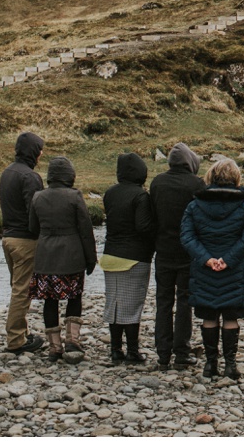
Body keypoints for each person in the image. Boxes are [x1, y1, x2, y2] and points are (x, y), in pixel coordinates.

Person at [181, 159, 244, 380]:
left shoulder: (195, 204)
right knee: (231, 316)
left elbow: (187, 237)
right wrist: (228, 260)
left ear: (211, 176)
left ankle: (210, 364)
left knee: (209, 314)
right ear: (236, 178)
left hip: (205, 268)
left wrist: (207, 259)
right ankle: (230, 365)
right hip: (236, 269)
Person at [29, 156, 97, 362]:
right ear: (70, 175)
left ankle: (54, 347)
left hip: (45, 258)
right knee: (74, 297)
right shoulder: (74, 196)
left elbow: (33, 228)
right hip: (72, 256)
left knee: (50, 301)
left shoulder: (37, 197)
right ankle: (72, 341)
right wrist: (91, 258)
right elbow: (86, 230)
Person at [149, 142, 205, 370]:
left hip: (162, 249)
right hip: (187, 251)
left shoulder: (157, 183)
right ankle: (182, 352)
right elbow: (201, 219)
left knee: (163, 302)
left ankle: (162, 354)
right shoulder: (196, 184)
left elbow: (152, 216)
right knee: (184, 301)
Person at [100, 153, 157, 364]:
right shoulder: (141, 196)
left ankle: (115, 350)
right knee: (132, 306)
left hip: (110, 255)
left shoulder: (109, 193)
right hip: (135, 257)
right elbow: (143, 226)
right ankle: (133, 350)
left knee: (113, 304)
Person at [0, 131, 46, 355]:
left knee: (17, 287)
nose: (41, 154)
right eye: (39, 150)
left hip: (7, 237)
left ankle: (22, 333)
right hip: (25, 240)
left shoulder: (8, 171)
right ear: (33, 152)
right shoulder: (30, 177)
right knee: (22, 290)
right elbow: (35, 212)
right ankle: (16, 339)